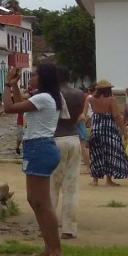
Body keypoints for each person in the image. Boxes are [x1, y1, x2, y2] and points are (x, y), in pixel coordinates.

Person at [2, 63, 64, 256]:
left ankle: (56, 250)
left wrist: (6, 84)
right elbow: (21, 105)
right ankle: (48, 247)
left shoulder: (43, 98)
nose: (31, 77)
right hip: (37, 147)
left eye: (35, 75)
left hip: (40, 147)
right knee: (34, 200)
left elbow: (9, 108)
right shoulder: (44, 97)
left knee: (43, 203)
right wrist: (15, 85)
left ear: (43, 78)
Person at [50, 69, 88, 239]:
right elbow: (79, 116)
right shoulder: (79, 94)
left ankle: (48, 226)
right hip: (73, 137)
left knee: (52, 187)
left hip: (56, 138)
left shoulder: (50, 94)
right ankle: (69, 228)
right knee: (71, 187)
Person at [87, 79, 128, 186]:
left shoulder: (91, 99)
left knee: (96, 153)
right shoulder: (111, 100)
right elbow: (116, 116)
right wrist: (123, 130)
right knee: (110, 153)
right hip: (108, 129)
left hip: (95, 129)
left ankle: (95, 180)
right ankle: (108, 180)